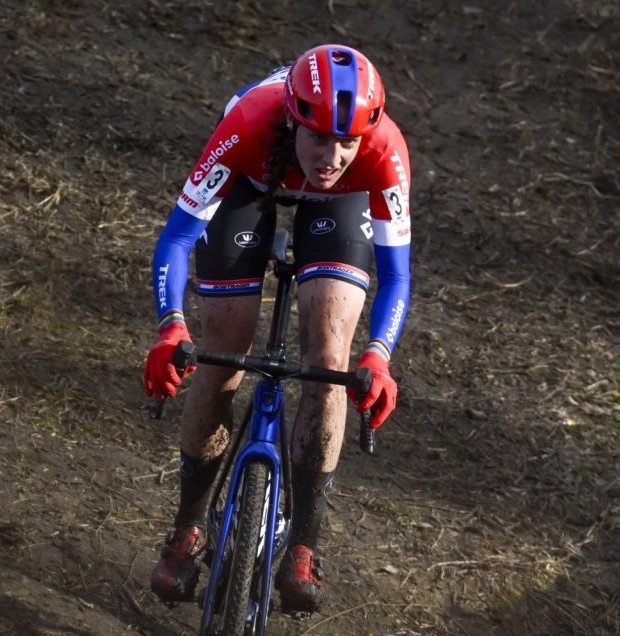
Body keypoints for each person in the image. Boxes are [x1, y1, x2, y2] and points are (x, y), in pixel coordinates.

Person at [141, 44, 412, 614]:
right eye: (318, 137)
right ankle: (189, 527)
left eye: (347, 141)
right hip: (253, 177)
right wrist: (171, 327)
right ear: (292, 118)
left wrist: (380, 355)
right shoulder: (250, 121)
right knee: (221, 351)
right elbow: (177, 237)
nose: (332, 155)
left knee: (331, 356)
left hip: (340, 207)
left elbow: (396, 274)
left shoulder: (384, 152)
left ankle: (304, 543)